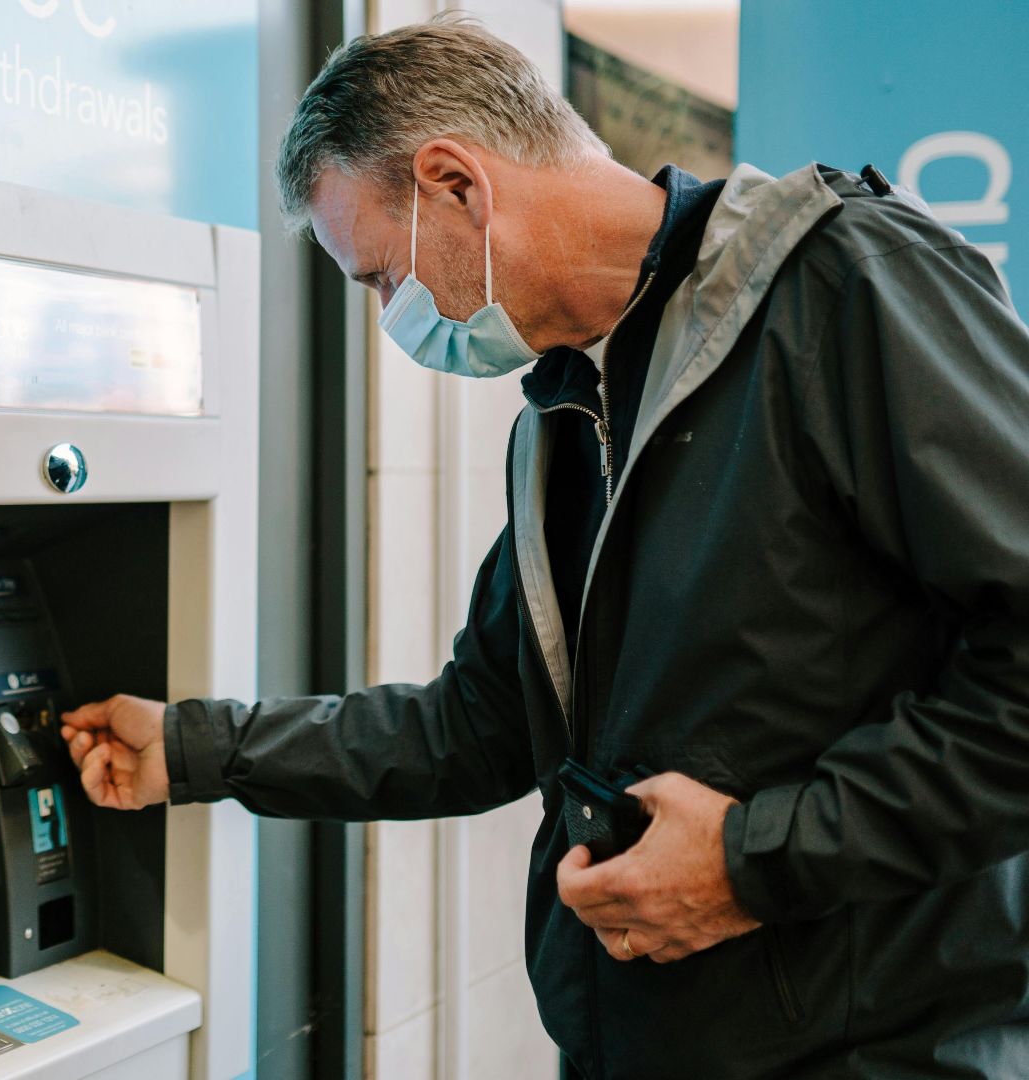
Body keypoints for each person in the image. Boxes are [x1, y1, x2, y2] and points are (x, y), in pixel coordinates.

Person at [61, 15, 1029, 1079]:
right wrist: (198, 749)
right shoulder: (564, 410)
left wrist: (757, 862)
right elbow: (477, 725)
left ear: (457, 184)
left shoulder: (842, 285)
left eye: (382, 277)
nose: (397, 317)